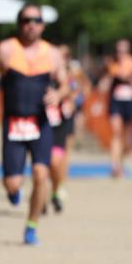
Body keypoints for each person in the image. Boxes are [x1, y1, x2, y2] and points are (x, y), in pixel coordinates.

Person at [0, 3, 69, 245]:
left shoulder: (52, 54)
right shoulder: (6, 50)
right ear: (19, 24)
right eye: (26, 20)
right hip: (13, 123)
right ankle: (13, 190)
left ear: (43, 25)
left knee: (41, 174)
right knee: (12, 182)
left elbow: (65, 84)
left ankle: (31, 226)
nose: (31, 25)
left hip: (40, 123)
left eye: (36, 20)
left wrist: (59, 94)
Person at [50, 51, 88, 213]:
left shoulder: (71, 78)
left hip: (64, 121)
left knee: (61, 157)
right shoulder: (47, 74)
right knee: (45, 161)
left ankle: (58, 187)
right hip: (47, 122)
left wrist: (71, 101)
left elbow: (80, 95)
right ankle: (47, 190)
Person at [104, 38, 132, 177]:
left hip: (129, 101)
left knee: (125, 136)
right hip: (115, 101)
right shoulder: (112, 63)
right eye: (118, 50)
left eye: (123, 50)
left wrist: (129, 78)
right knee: (116, 132)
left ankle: (121, 163)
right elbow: (104, 84)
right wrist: (111, 77)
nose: (120, 53)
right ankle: (114, 165)